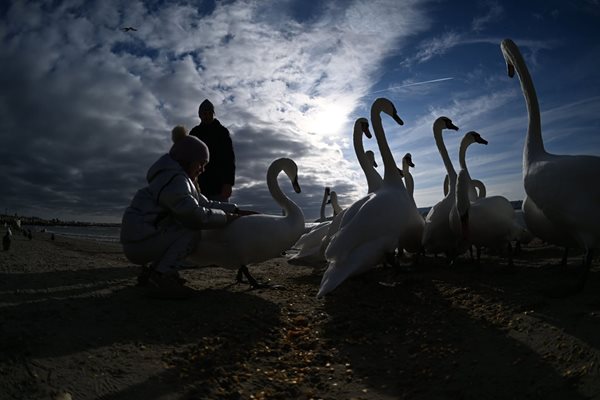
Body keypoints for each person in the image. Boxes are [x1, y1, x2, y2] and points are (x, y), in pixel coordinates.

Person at [120, 131, 252, 298]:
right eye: (201, 163)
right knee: (193, 231)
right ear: (188, 160)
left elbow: (205, 204)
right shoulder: (175, 180)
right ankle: (162, 275)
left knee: (180, 228)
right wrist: (228, 218)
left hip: (141, 240)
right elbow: (194, 215)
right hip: (140, 244)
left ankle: (153, 272)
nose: (203, 169)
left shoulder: (175, 178)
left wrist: (236, 210)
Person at [189, 99, 235, 201]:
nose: (206, 115)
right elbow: (188, 157)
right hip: (198, 186)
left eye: (209, 113)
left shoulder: (222, 132)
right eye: (203, 113)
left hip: (219, 187)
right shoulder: (194, 132)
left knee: (220, 215)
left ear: (213, 114)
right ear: (200, 115)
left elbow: (229, 158)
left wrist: (228, 183)